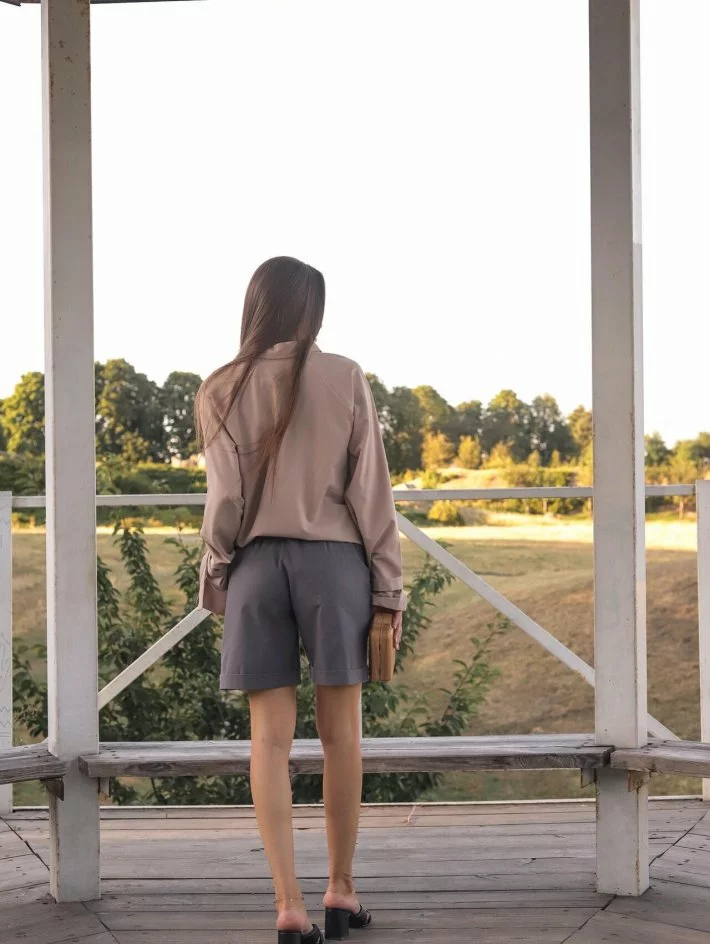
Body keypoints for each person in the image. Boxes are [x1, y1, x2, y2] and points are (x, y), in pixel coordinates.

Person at [195, 256, 406, 944]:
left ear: (256, 306)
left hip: (256, 567)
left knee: (268, 740)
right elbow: (372, 494)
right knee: (342, 734)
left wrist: (218, 572)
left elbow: (224, 502)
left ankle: (288, 907)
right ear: (310, 310)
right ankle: (340, 891)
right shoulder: (344, 376)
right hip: (335, 567)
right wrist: (388, 587)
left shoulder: (219, 386)